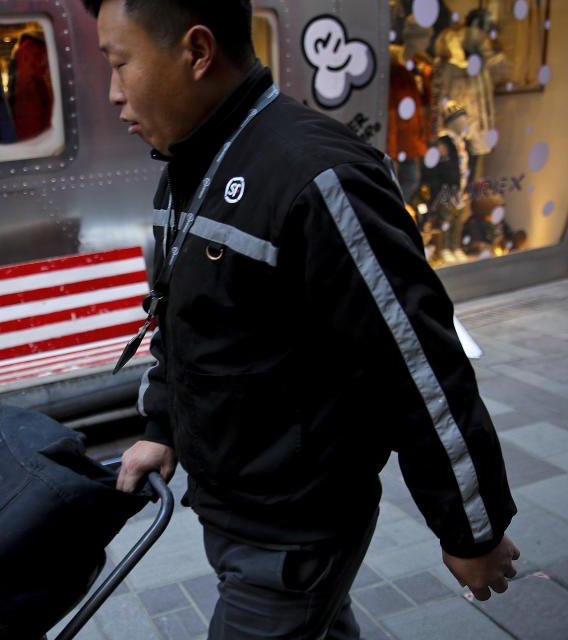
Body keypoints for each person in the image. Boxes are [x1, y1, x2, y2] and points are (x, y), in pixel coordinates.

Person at [80, 1, 520, 638]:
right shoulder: (191, 164)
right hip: (235, 505)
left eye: (120, 65)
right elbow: (187, 320)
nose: (114, 95)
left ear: (197, 52)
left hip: (294, 527)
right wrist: (162, 424)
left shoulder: (317, 177)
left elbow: (415, 361)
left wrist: (470, 530)